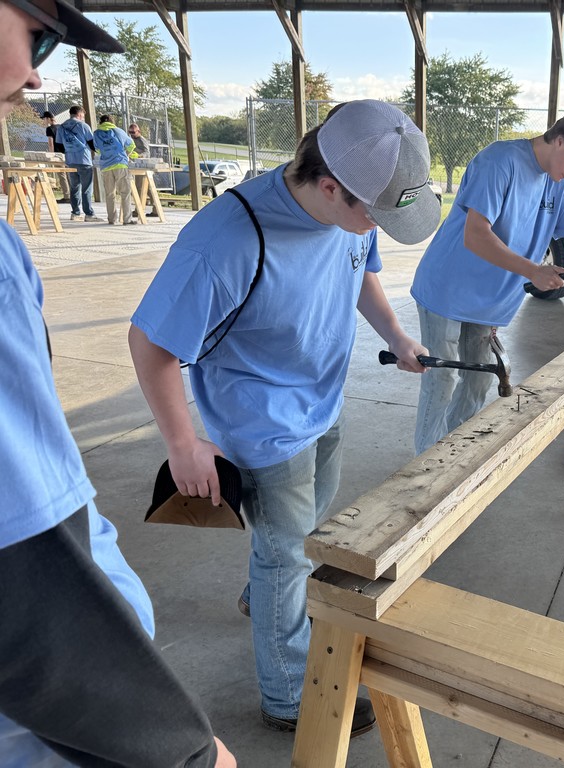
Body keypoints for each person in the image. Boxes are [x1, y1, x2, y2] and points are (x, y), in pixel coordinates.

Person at [128, 99, 440, 732]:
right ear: (330, 186)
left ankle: (267, 595)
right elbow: (151, 342)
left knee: (298, 537)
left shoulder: (354, 211)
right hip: (263, 419)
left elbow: (362, 276)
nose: (375, 226)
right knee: (288, 553)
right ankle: (289, 695)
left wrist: (398, 334)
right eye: (373, 215)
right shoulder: (228, 237)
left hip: (323, 399)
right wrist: (184, 442)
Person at [0, 0, 235, 765]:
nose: (35, 70)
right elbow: (22, 570)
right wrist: (178, 752)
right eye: (32, 31)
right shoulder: (222, 233)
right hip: (56, 722)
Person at [410, 109, 564, 454]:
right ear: (560, 141)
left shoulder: (560, 186)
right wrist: (532, 271)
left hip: (490, 299)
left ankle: (448, 453)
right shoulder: (499, 162)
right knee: (441, 379)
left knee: (480, 380)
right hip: (447, 288)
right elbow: (475, 236)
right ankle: (421, 464)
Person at [56, 104, 98, 221]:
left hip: (70, 161)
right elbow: (91, 144)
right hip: (84, 160)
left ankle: (75, 213)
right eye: (83, 116)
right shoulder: (83, 126)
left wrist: (70, 152)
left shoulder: (62, 127)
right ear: (80, 114)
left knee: (74, 187)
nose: (83, 118)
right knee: (86, 188)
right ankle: (89, 214)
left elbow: (59, 146)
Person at [93, 113, 135, 225]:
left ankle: (111, 219)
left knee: (109, 194)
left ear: (100, 122)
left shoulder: (96, 133)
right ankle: (127, 219)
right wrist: (126, 154)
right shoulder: (118, 131)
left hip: (106, 166)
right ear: (112, 122)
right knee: (125, 192)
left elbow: (96, 149)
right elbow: (131, 145)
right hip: (120, 164)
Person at [41, 109, 70, 202]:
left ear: (48, 119)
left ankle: (67, 196)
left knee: (62, 175)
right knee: (69, 174)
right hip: (66, 153)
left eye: (44, 119)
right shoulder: (61, 127)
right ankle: (73, 195)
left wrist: (51, 155)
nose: (43, 121)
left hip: (57, 154)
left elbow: (50, 143)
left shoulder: (49, 129)